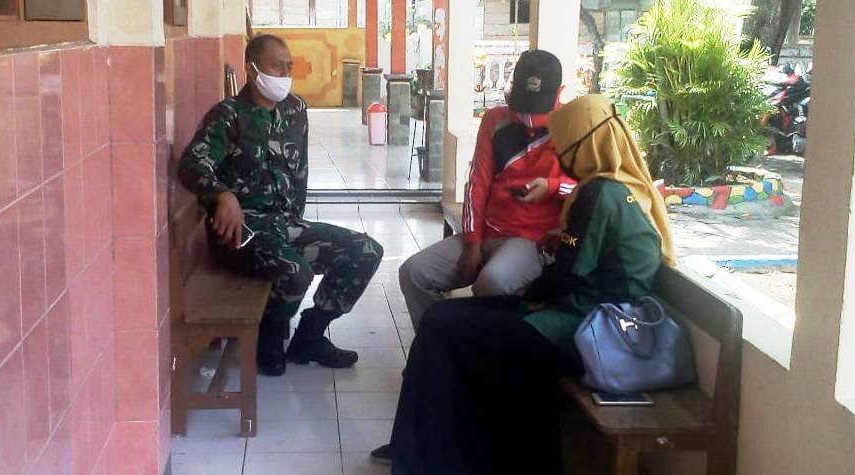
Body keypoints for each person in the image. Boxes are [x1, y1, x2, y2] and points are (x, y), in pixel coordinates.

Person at [370, 94, 676, 474]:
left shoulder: (599, 194)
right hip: (585, 319)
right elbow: (584, 261)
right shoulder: (622, 187)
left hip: (582, 330)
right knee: (445, 323)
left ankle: (425, 455)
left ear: (584, 144)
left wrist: (526, 301)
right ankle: (425, 450)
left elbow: (566, 276)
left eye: (564, 146)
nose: (561, 155)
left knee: (446, 326)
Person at [179, 35, 384, 377]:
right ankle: (270, 337)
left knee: (366, 251)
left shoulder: (295, 110)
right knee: (294, 271)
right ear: (252, 69)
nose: (285, 74)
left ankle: (309, 336)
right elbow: (190, 165)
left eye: (289, 67)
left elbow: (299, 172)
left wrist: (297, 222)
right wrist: (221, 195)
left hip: (284, 225)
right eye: (277, 66)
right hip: (241, 233)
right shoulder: (228, 116)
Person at [398, 50, 578, 330]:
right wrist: (472, 243)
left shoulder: (573, 128)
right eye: (523, 102)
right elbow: (477, 183)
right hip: (487, 232)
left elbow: (587, 188)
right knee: (414, 273)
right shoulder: (496, 120)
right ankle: (437, 343)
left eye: (538, 106)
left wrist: (552, 187)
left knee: (492, 282)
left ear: (560, 92)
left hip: (532, 241)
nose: (529, 116)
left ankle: (482, 349)